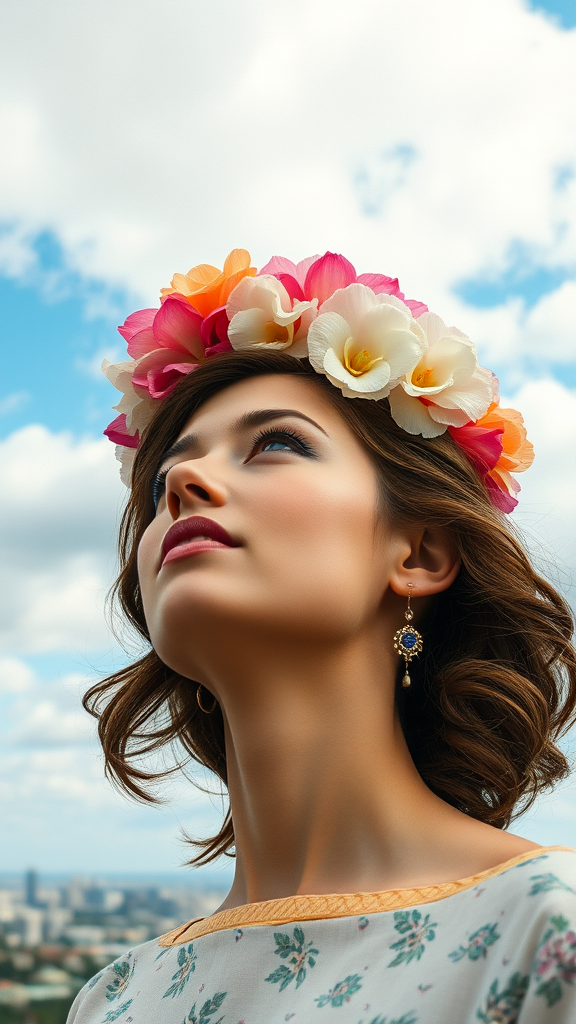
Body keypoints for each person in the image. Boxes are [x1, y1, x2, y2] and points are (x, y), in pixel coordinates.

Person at [69, 251, 576, 1023]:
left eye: (276, 443)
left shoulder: (547, 930)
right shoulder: (113, 1001)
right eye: (163, 474)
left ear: (418, 554)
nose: (180, 484)